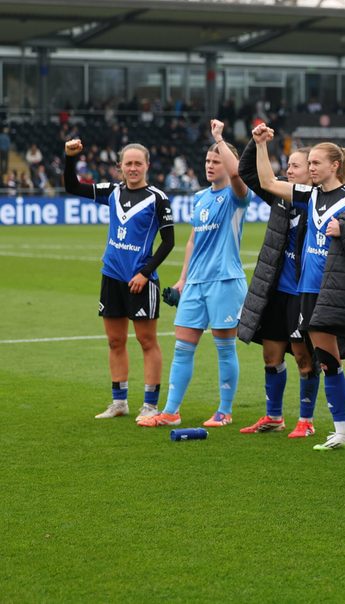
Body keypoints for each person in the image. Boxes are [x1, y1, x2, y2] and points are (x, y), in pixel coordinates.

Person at [252, 127, 345, 455]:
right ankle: (342, 432)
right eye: (308, 163)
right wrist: (260, 144)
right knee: (327, 361)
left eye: (316, 163)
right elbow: (268, 183)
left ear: (335, 166)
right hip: (309, 288)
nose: (310, 167)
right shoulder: (308, 195)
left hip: (343, 289)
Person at [139, 120, 249, 428]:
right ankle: (171, 411)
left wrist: (219, 139)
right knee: (182, 346)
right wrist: (183, 279)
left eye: (217, 161)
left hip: (225, 282)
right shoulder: (200, 198)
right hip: (196, 284)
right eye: (208, 161)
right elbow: (192, 240)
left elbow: (239, 174)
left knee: (224, 347)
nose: (211, 166)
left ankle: (224, 411)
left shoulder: (237, 196)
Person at [63, 139, 174, 422]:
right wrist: (70, 159)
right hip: (111, 275)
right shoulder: (111, 191)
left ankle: (150, 405)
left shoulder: (158, 197)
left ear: (147, 165)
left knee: (147, 341)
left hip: (141, 279)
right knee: (115, 341)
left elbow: (168, 241)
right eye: (128, 164)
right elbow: (72, 187)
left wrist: (144, 273)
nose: (133, 168)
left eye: (138, 163)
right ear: (120, 167)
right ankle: (119, 402)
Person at [235, 133, 320, 438]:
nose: (289, 170)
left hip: (302, 292)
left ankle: (306, 420)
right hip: (276, 290)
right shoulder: (280, 198)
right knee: (271, 355)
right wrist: (257, 144)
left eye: (295, 166)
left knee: (304, 358)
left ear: (312, 170)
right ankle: (274, 416)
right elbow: (247, 173)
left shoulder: (321, 204)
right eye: (288, 165)